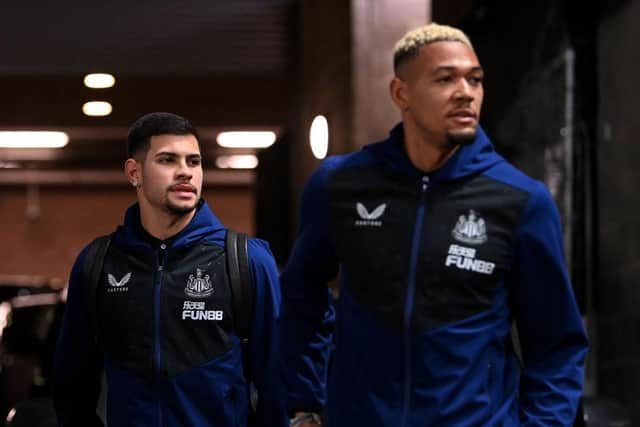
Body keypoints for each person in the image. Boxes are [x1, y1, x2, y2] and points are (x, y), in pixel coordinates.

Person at [279, 23, 588, 427]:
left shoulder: (519, 200)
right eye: (445, 79)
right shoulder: (340, 185)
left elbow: (557, 344)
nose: (466, 92)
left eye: (475, 80)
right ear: (400, 93)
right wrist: (304, 401)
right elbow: (301, 293)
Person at [53, 112, 287, 427]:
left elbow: (277, 386)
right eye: (168, 160)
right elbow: (72, 386)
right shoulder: (98, 263)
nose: (185, 173)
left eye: (194, 162)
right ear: (134, 172)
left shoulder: (247, 260)